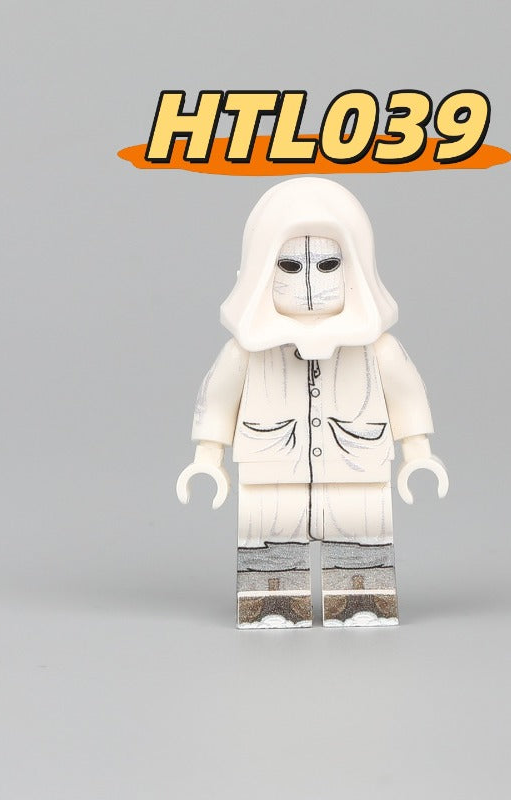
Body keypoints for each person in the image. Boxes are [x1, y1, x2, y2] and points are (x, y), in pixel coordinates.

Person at [177, 177, 448, 628]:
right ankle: (272, 604)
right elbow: (218, 400)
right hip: (270, 468)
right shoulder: (246, 352)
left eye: (327, 265)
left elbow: (406, 395)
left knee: (361, 531)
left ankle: (361, 602)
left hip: (357, 465)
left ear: (355, 268)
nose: (308, 282)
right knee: (270, 533)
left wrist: (418, 453)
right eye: (288, 265)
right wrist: (207, 459)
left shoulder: (377, 350)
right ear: (261, 268)